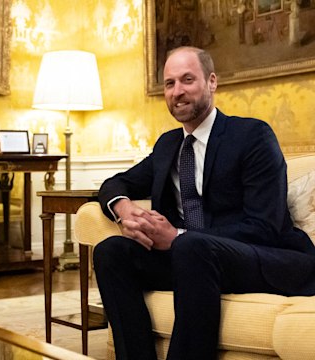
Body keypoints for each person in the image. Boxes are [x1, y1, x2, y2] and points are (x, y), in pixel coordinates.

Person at [93, 47, 315, 360]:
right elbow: (116, 184)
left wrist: (178, 238)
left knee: (189, 247)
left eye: (187, 80)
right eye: (169, 84)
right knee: (110, 251)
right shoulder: (169, 144)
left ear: (212, 82)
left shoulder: (251, 136)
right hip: (192, 261)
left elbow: (264, 227)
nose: (177, 91)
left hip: (263, 256)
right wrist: (124, 210)